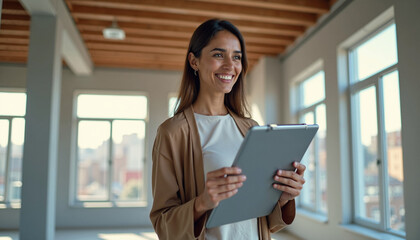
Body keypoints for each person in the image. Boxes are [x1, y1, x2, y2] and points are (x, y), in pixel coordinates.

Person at [150, 19, 306, 240]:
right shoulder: (172, 133)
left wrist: (283, 197)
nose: (230, 66)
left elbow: (264, 219)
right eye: (218, 54)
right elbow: (162, 223)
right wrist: (202, 203)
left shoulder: (251, 128)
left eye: (236, 57)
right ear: (194, 61)